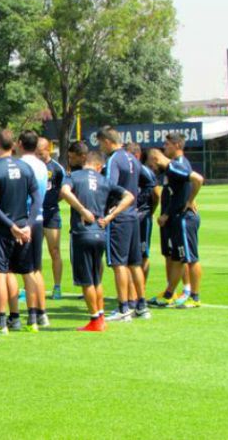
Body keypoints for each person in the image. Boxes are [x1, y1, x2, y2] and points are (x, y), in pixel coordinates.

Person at [59, 151, 135, 332]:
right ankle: (100, 316)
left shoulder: (74, 176)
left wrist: (82, 209)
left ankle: (95, 320)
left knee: (86, 281)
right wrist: (111, 216)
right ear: (99, 166)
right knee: (96, 278)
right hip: (100, 233)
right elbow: (130, 196)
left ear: (86, 161)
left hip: (81, 232)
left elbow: (64, 191)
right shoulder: (104, 180)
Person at [0, 130, 43, 334]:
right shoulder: (25, 167)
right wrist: (28, 224)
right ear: (13, 145)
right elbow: (37, 198)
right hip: (24, 226)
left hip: (3, 229)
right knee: (28, 272)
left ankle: (2, 322)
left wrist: (10, 226)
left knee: (1, 274)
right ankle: (32, 319)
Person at [96, 126, 151, 322]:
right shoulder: (132, 158)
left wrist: (105, 209)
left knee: (119, 263)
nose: (101, 148)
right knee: (134, 262)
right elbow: (147, 182)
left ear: (107, 141)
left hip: (118, 216)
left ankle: (123, 307)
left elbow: (108, 186)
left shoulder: (113, 160)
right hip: (133, 215)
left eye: (101, 143)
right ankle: (141, 306)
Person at [146, 140, 205, 308]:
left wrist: (190, 200)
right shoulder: (173, 167)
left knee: (191, 258)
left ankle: (194, 297)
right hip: (179, 218)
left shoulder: (174, 167)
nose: (154, 168)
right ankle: (169, 294)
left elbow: (198, 179)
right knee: (179, 257)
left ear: (155, 159)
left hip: (185, 218)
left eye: (152, 164)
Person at [17, 130, 50, 329]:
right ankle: (42, 312)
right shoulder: (42, 165)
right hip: (39, 218)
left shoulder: (21, 165)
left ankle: (26, 315)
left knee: (22, 270)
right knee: (37, 269)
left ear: (20, 143)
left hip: (23, 219)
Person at [126, 143, 160, 287]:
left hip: (143, 217)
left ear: (137, 156)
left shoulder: (145, 172)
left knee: (143, 254)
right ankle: (131, 291)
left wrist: (150, 211)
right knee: (127, 256)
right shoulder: (126, 172)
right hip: (128, 216)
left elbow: (156, 194)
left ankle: (141, 289)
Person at [36, 137, 66, 300]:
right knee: (34, 252)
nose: (38, 155)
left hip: (51, 214)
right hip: (35, 214)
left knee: (54, 250)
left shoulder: (57, 168)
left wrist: (53, 201)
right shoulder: (32, 166)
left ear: (48, 150)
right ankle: (33, 287)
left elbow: (63, 190)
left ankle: (57, 287)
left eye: (40, 152)